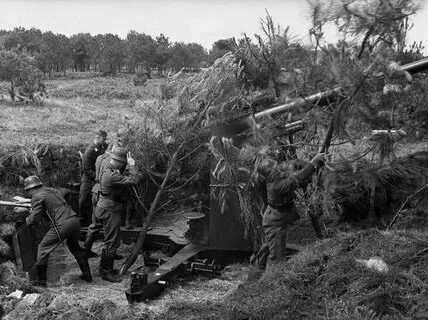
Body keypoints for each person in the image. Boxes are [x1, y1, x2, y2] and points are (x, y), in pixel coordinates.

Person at [256, 153, 327, 269]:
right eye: (275, 169)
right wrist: (312, 163)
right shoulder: (276, 186)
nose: (279, 170)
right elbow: (296, 178)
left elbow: (298, 179)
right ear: (270, 174)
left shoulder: (277, 179)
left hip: (283, 215)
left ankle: (260, 263)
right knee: (277, 257)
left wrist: (314, 167)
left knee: (273, 244)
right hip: (275, 221)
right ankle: (272, 279)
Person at [24, 175, 92, 286]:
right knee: (76, 248)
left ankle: (41, 283)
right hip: (74, 220)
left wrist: (26, 219)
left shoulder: (36, 196)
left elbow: (36, 217)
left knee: (42, 249)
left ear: (31, 188)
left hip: (62, 224)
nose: (29, 193)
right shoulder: (52, 190)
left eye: (28, 191)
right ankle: (87, 275)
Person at [94, 147, 138, 282]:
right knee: (112, 241)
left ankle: (105, 269)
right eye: (124, 163)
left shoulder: (109, 167)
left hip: (106, 208)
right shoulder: (111, 175)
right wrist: (132, 165)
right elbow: (134, 180)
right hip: (109, 210)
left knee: (111, 239)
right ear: (120, 162)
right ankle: (106, 273)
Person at [79, 130, 108, 226]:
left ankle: (97, 221)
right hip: (88, 179)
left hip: (98, 178)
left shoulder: (102, 148)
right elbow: (86, 169)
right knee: (83, 200)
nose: (105, 141)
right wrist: (98, 177)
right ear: (98, 137)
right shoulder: (90, 151)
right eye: (104, 139)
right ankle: (82, 223)